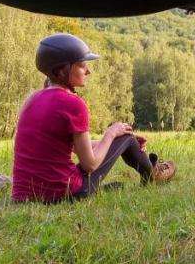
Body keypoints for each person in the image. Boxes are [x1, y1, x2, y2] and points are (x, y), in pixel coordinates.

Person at [13, 33, 176, 203]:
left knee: (125, 137)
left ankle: (140, 162)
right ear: (61, 70)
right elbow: (89, 165)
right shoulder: (73, 103)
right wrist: (111, 134)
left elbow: (72, 146)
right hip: (65, 194)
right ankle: (153, 175)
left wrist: (116, 142)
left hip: (24, 196)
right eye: (82, 65)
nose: (88, 71)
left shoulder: (31, 99)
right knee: (126, 137)